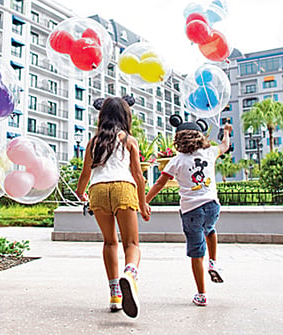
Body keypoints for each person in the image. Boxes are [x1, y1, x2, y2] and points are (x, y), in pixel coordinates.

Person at [75, 96, 151, 318]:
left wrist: (81, 193)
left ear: (103, 116)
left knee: (110, 242)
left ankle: (115, 295)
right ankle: (129, 273)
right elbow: (138, 175)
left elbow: (85, 173)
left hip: (98, 191)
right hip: (123, 188)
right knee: (132, 243)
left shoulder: (94, 141)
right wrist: (143, 202)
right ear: (125, 116)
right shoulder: (128, 140)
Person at [146, 115, 231, 307]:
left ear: (178, 139)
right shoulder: (210, 152)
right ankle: (214, 262)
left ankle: (201, 294)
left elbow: (160, 183)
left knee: (196, 251)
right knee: (210, 230)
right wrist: (226, 132)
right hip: (212, 206)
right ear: (200, 136)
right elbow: (224, 146)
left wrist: (145, 201)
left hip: (191, 210)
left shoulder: (177, 160)